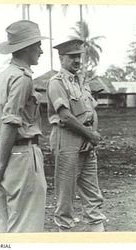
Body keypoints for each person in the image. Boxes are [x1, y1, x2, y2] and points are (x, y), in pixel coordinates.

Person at [0, 20, 47, 233]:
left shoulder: (1, 78)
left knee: (4, 224)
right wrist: (0, 165)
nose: (41, 50)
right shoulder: (22, 79)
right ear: (27, 47)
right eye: (38, 45)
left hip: (4, 155)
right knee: (26, 226)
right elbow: (10, 122)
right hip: (21, 156)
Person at [46, 39, 106, 232]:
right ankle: (66, 235)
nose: (77, 61)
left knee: (92, 191)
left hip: (86, 138)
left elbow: (92, 111)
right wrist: (90, 134)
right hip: (67, 138)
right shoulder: (56, 83)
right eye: (72, 57)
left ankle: (99, 235)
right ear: (61, 58)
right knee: (66, 193)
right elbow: (65, 116)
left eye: (79, 56)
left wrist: (92, 135)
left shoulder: (82, 81)